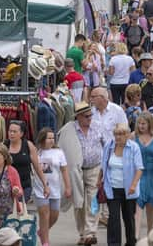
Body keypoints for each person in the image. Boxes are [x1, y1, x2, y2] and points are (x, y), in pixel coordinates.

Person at [58, 101, 103, 246]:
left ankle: (91, 232)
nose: (90, 118)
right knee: (79, 203)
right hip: (75, 171)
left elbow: (106, 143)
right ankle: (82, 233)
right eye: (86, 116)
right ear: (78, 117)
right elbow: (62, 150)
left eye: (91, 115)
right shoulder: (68, 130)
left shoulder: (97, 126)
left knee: (93, 200)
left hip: (94, 168)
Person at [99, 123, 144, 246]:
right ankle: (114, 244)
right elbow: (103, 165)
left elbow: (139, 168)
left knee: (128, 218)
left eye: (122, 134)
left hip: (129, 189)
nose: (118, 137)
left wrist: (134, 185)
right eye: (116, 134)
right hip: (112, 188)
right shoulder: (109, 146)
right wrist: (100, 181)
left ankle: (130, 242)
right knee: (113, 218)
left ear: (128, 135)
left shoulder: (134, 147)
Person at [33, 128, 71, 246]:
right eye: (49, 138)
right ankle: (46, 242)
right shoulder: (36, 152)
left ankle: (42, 232)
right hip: (40, 189)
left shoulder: (58, 152)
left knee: (54, 216)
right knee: (44, 215)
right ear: (43, 139)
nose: (51, 140)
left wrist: (68, 187)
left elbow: (64, 170)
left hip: (55, 189)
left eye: (52, 138)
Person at [4, 120, 48, 203]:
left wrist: (45, 185)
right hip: (7, 186)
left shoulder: (28, 145)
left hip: (24, 186)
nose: (11, 134)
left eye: (14, 131)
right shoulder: (4, 145)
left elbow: (37, 167)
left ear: (21, 133)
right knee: (9, 213)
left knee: (20, 211)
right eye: (10, 131)